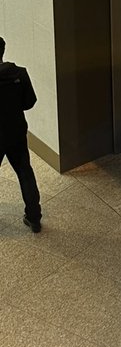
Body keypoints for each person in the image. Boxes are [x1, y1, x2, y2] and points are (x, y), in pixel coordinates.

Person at [0, 38, 42, 232]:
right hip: (16, 131)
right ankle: (34, 218)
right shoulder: (20, 73)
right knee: (25, 172)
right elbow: (29, 102)